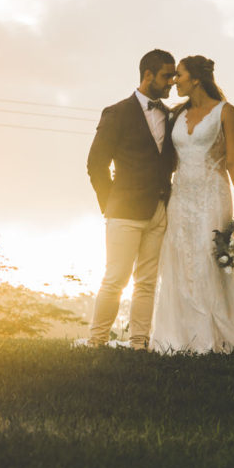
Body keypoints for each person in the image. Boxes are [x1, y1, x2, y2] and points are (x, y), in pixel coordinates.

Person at [150, 56, 234, 353]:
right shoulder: (176, 114)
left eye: (180, 75)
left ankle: (217, 337)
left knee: (206, 260)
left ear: (197, 79)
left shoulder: (226, 113)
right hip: (181, 197)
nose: (175, 80)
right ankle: (179, 336)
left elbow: (233, 160)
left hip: (212, 195)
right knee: (179, 259)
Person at [84, 49, 177, 350]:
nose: (171, 83)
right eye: (166, 76)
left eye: (174, 76)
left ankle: (140, 343)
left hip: (159, 211)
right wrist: (110, 204)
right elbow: (95, 164)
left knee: (147, 282)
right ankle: (97, 340)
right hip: (124, 210)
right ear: (147, 75)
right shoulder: (117, 112)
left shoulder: (170, 116)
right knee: (115, 279)